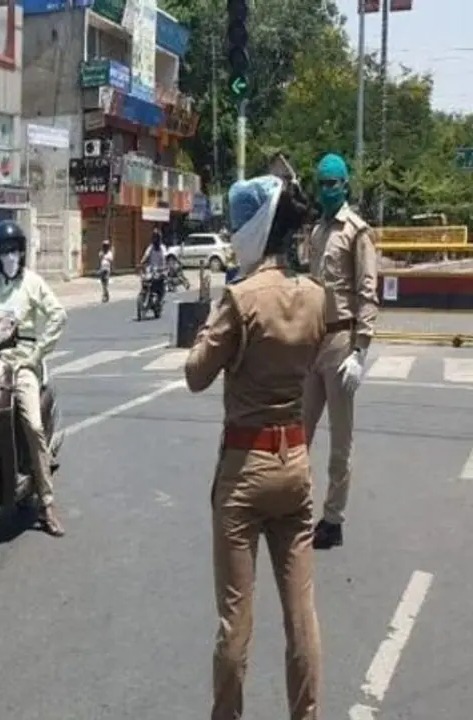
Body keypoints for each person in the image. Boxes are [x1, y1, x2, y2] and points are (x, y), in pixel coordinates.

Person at [185, 175, 324, 720]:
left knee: (236, 619)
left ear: (253, 227)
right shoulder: (314, 295)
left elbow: (197, 374)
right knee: (301, 614)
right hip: (295, 464)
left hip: (245, 470)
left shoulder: (240, 297)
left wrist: (205, 332)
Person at [302, 153, 378, 550]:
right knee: (300, 433)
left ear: (345, 185)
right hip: (313, 341)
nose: (327, 189)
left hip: (340, 343)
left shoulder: (356, 232)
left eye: (333, 183)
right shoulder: (316, 232)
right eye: (322, 183)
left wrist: (360, 351)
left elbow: (367, 293)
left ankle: (333, 519)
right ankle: (297, 508)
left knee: (340, 441)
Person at [0, 219, 68, 536]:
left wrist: (38, 353)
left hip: (24, 364)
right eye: (4, 251)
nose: (10, 256)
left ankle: (46, 503)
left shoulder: (33, 283)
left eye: (14, 250)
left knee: (31, 424)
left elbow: (58, 314)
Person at [140, 229, 168, 306]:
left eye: (156, 237)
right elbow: (146, 256)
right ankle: (145, 294)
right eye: (153, 237)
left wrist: (164, 267)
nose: (154, 239)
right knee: (145, 279)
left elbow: (165, 258)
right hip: (151, 270)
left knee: (161, 283)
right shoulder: (150, 247)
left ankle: (159, 300)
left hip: (160, 270)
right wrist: (142, 262)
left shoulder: (162, 248)